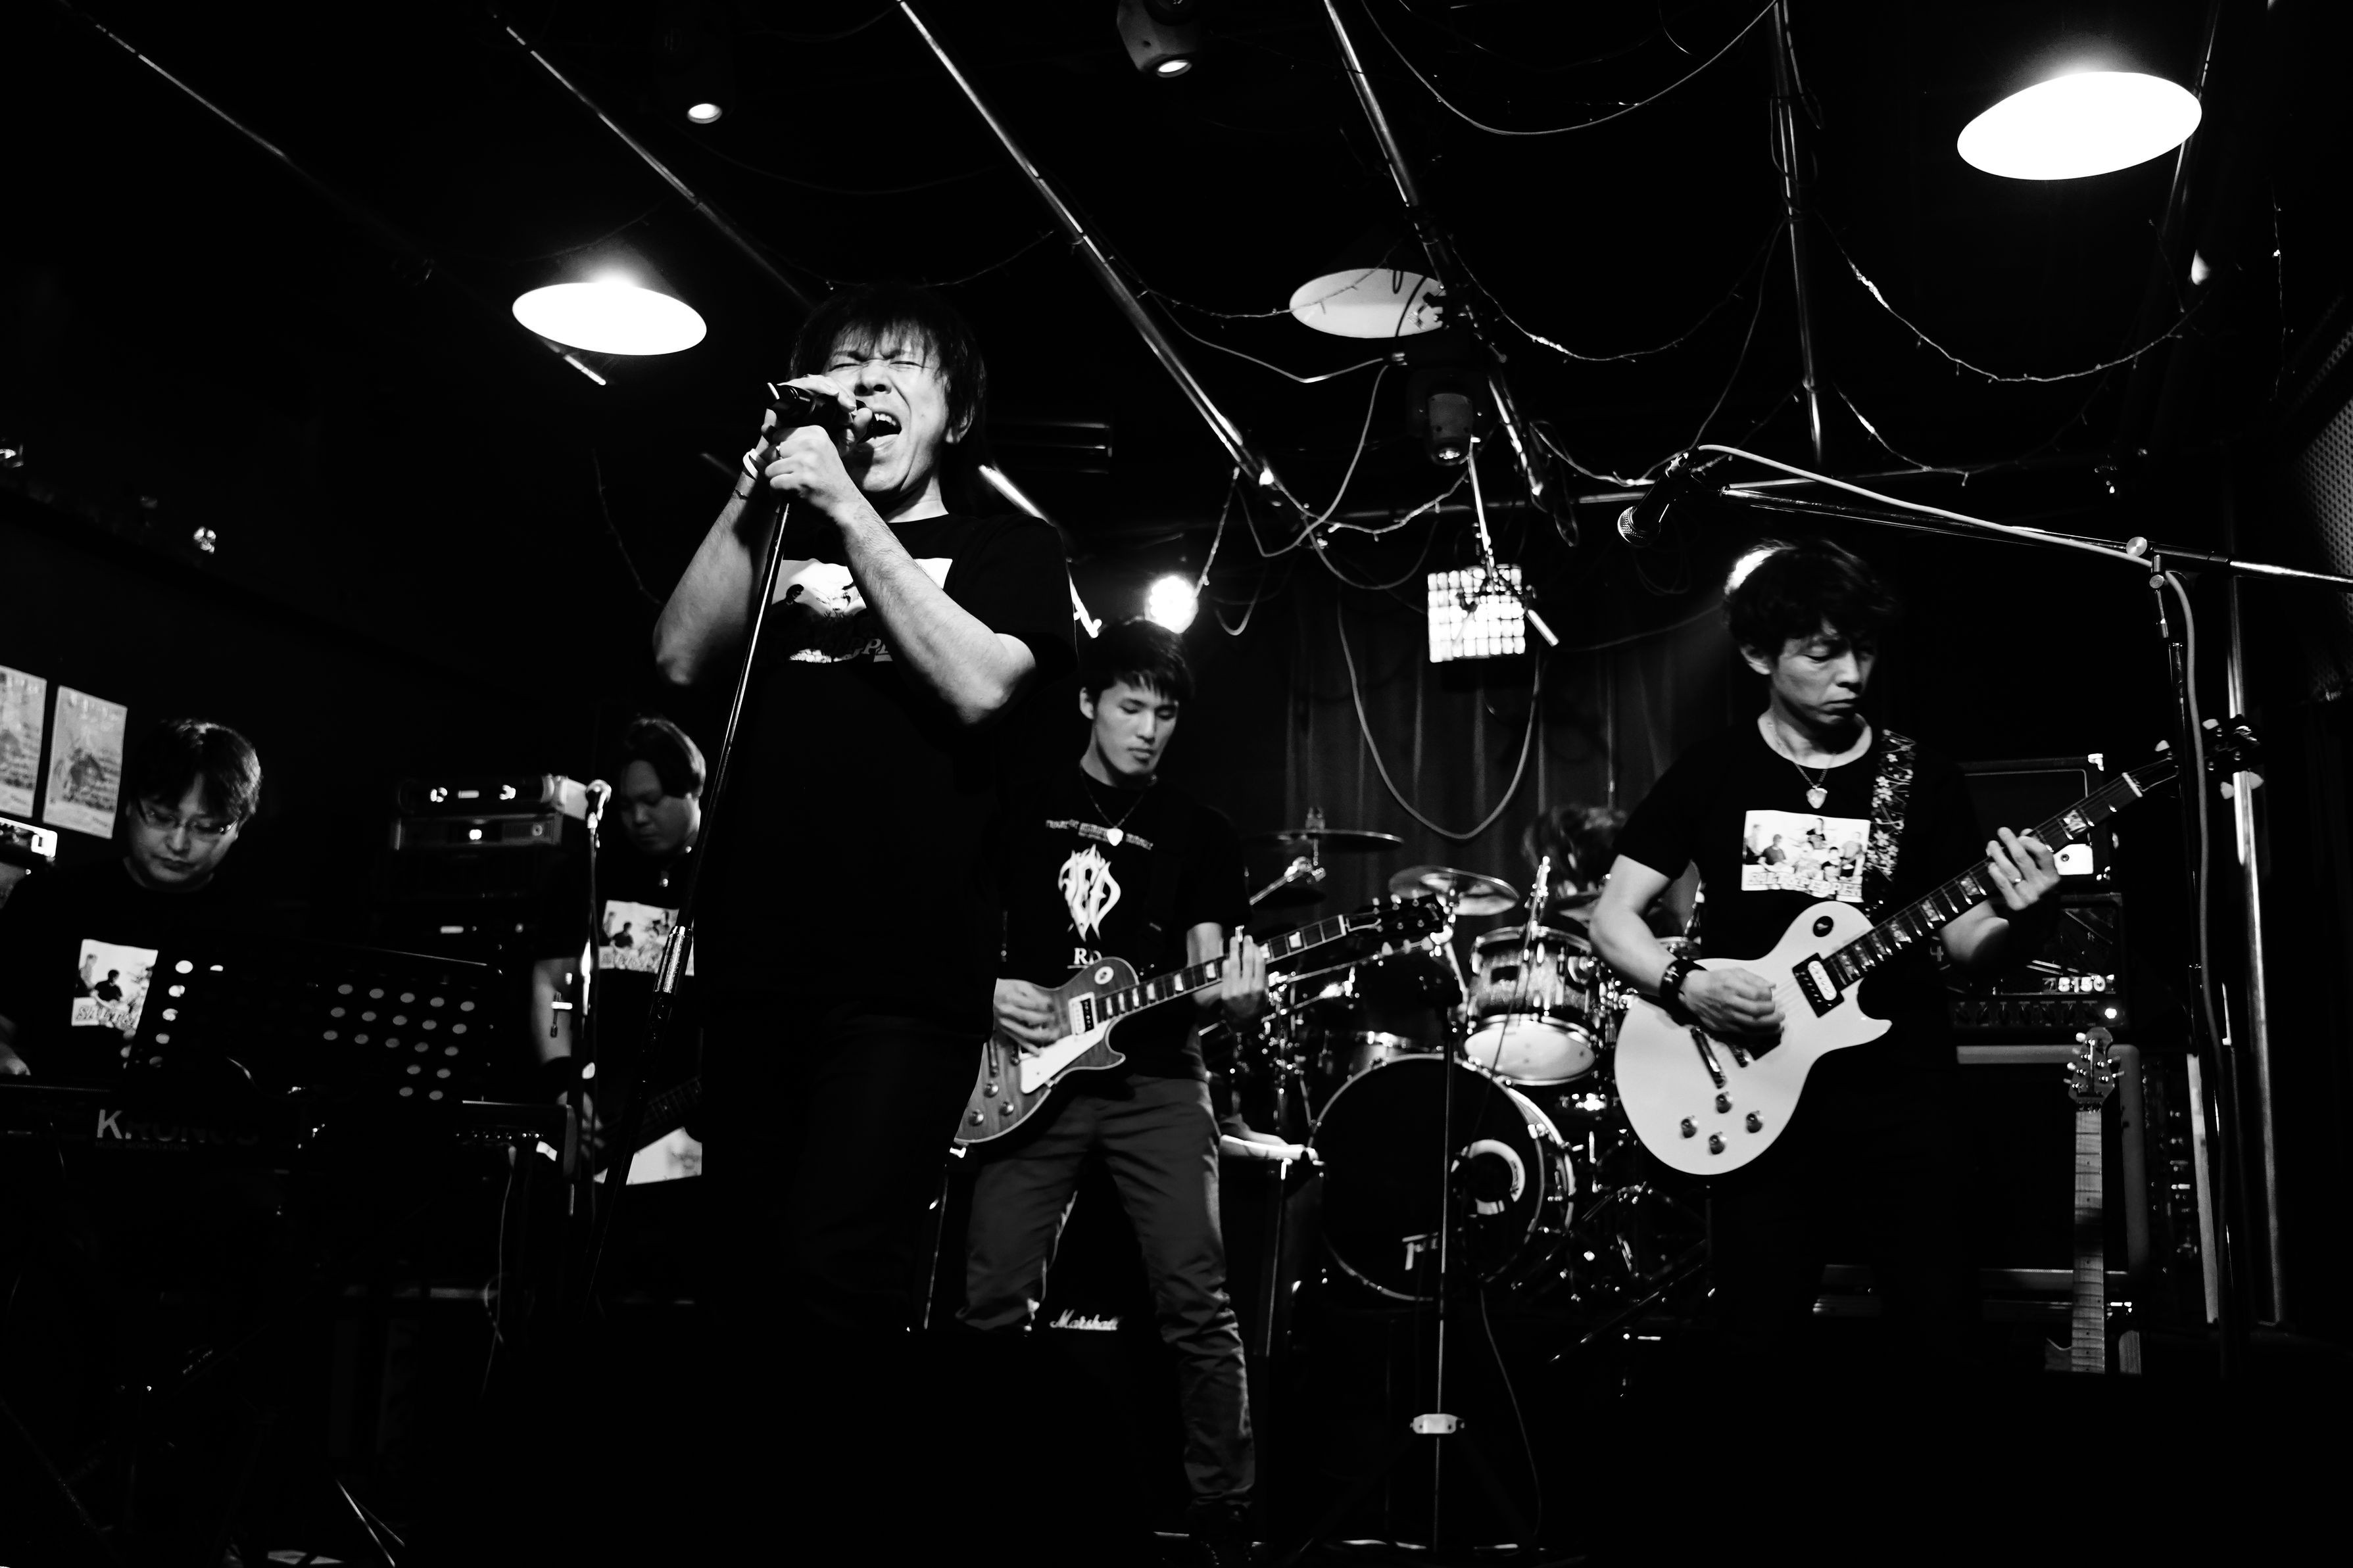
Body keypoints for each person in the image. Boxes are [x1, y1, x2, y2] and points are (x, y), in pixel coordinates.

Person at [650, 282, 1075, 1543]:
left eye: (903, 366)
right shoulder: (776, 534)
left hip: (905, 978)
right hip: (754, 963)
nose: (870, 383)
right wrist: (757, 486)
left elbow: (982, 687)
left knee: (839, 1272)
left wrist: (843, 506)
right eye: (846, 363)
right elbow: (678, 656)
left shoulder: (1006, 551)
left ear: (956, 414)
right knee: (738, 1281)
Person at [1588, 538, 2061, 1396]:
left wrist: (2021, 920)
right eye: (1822, 653)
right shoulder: (1711, 771)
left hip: (1901, 1095)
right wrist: (1686, 983)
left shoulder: (1919, 778)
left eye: (1865, 650)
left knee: (1943, 1339)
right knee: (1755, 1348)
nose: (1851, 674)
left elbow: (1966, 946)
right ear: (1757, 655)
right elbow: (1612, 917)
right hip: (1757, 1094)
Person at [962, 618, 1265, 1565]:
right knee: (992, 1303)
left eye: (1165, 713)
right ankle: (982, 1497)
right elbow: (953, 923)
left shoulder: (1200, 833)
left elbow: (1208, 976)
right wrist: (984, 988)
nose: (1148, 730)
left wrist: (1235, 999)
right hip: (1023, 1074)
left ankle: (1222, 1509)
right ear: (1089, 701)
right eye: (1131, 707)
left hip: (1158, 1081)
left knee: (1196, 1299)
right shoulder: (1019, 803)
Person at [0, 718, 262, 1083]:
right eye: (161, 817)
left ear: (238, 828)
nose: (179, 843)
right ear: (129, 804)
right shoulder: (49, 899)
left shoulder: (255, 932)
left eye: (206, 827)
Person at [527, 714, 706, 1177]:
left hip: (690, 1131)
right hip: (600, 1117)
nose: (638, 819)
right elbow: (555, 986)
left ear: (693, 790)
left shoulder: (725, 877)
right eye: (627, 805)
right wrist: (563, 1084)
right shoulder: (594, 868)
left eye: (652, 801)